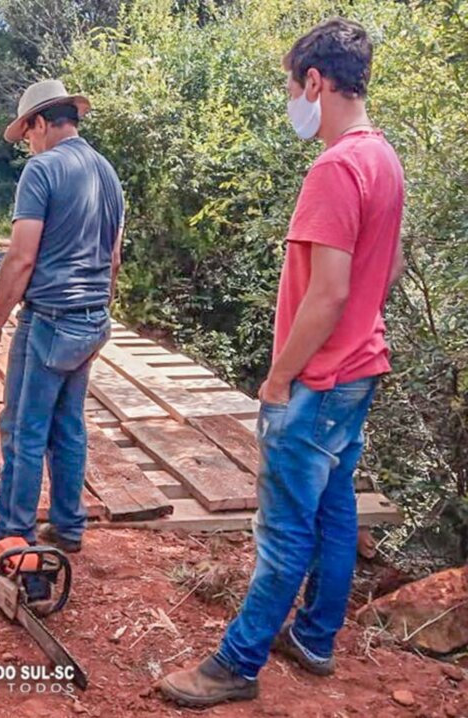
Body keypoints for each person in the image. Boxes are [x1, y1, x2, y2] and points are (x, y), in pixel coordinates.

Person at [159, 18, 405, 708]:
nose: (290, 100)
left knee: (284, 528)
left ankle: (236, 663)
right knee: (333, 511)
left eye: (291, 87)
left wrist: (277, 378)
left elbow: (326, 293)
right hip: (359, 368)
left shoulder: (334, 168)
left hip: (318, 379)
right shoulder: (383, 157)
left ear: (315, 83)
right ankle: (315, 639)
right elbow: (387, 267)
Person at [0, 80, 124, 557]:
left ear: (39, 122)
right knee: (68, 425)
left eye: (27, 132)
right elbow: (113, 258)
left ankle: (13, 530)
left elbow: (20, 259)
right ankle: (69, 526)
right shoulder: (106, 172)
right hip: (92, 318)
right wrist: (98, 310)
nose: (27, 143)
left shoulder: (43, 169)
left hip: (51, 318)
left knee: (23, 429)